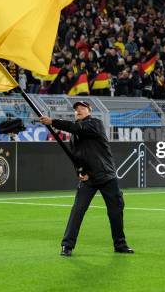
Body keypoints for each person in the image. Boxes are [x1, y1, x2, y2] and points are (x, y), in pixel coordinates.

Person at [39, 101, 133, 257]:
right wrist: (79, 172)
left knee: (115, 211)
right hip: (88, 178)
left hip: (106, 175)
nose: (78, 111)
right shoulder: (75, 136)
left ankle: (120, 244)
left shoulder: (95, 123)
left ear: (90, 110)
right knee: (77, 211)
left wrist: (53, 122)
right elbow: (76, 157)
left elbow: (77, 127)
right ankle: (67, 245)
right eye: (76, 110)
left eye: (82, 108)